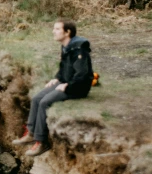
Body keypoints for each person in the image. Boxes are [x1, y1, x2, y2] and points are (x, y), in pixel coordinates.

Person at [13, 19, 93, 156]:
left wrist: (67, 86)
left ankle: (41, 142)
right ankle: (31, 133)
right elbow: (64, 68)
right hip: (65, 82)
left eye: (57, 29)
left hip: (77, 88)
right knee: (37, 98)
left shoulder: (79, 49)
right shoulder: (66, 45)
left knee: (45, 102)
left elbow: (82, 75)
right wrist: (57, 79)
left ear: (67, 32)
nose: (53, 31)